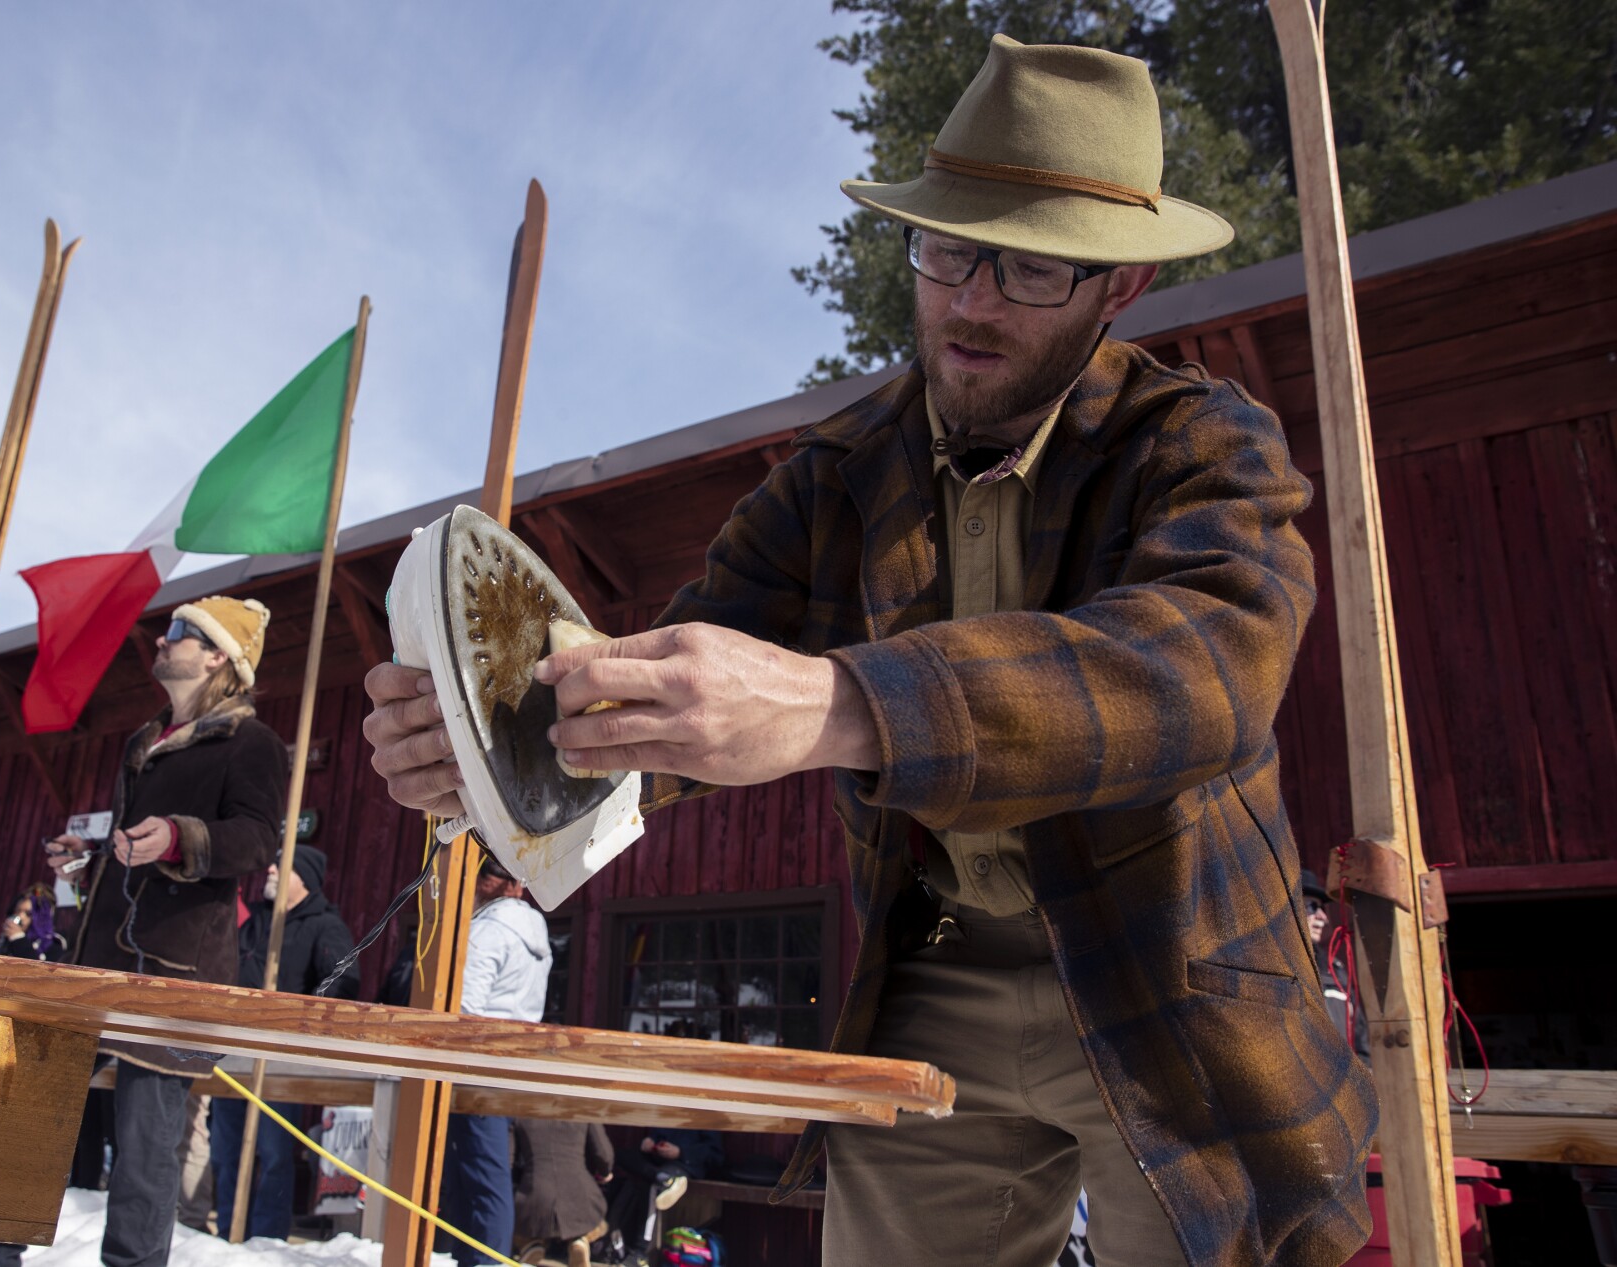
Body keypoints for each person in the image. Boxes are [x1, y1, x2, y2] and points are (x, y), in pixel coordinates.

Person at [363, 35, 1377, 1267]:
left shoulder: (1204, 445)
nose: (970, 299)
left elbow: (1197, 673)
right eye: (946, 248)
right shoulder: (836, 474)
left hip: (1163, 969)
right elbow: (672, 691)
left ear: (1117, 290)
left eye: (1028, 269)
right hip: (935, 966)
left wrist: (842, 703)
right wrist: (486, 748)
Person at [0, 596, 287, 1267]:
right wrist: (93, 854)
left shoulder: (254, 744)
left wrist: (176, 837)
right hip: (98, 960)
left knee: (144, 1150)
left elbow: (255, 841)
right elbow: (134, 843)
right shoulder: (144, 740)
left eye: (180, 633)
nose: (163, 641)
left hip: (176, 972)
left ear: (217, 655)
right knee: (29, 1117)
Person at [208, 843, 359, 1240]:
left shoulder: (324, 925)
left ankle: (265, 1239)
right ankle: (228, 1232)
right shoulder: (256, 921)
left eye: (281, 866)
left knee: (274, 1154)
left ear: (302, 878)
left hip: (280, 1056)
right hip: (235, 1051)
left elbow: (343, 983)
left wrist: (297, 1020)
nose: (270, 871)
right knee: (226, 1152)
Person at [438, 853, 552, 1266]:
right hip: (508, 1065)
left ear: (492, 882)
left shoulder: (486, 931)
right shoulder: (535, 931)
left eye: (476, 876)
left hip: (475, 1064)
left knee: (481, 1177)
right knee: (480, 1172)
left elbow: (465, 1008)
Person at [603, 1128, 723, 1261]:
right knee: (620, 1155)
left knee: (652, 1187)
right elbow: (657, 1136)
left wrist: (681, 1152)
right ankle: (663, 1178)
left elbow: (714, 1154)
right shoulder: (670, 1110)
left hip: (685, 1165)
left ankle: (641, 1252)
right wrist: (650, 1142)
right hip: (657, 1163)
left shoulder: (705, 1115)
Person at [511, 1118, 614, 1267]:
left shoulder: (522, 1111)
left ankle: (530, 1244)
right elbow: (603, 1153)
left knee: (520, 1221)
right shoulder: (581, 1109)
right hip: (580, 1194)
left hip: (534, 1193)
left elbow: (508, 1158)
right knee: (597, 1221)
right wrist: (605, 1172)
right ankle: (580, 1240)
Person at [1303, 868, 1370, 1059]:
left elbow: (1361, 1043)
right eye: (1312, 907)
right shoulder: (1273, 969)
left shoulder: (1335, 971)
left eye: (1322, 908)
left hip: (1344, 1084)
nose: (1323, 917)